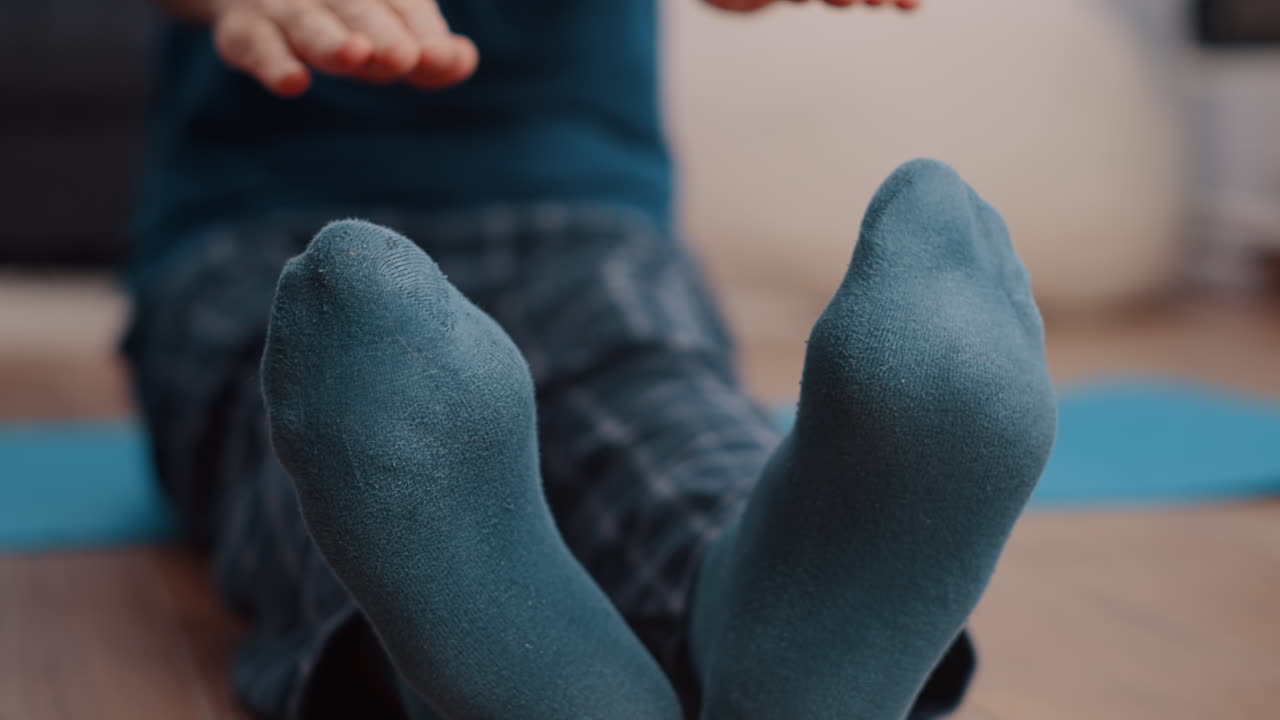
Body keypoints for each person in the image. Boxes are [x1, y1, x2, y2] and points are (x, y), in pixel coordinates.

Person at [123, 0, 1056, 718]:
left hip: (579, 223)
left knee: (650, 398)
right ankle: (708, 632)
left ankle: (741, 633)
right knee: (345, 422)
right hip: (265, 236)